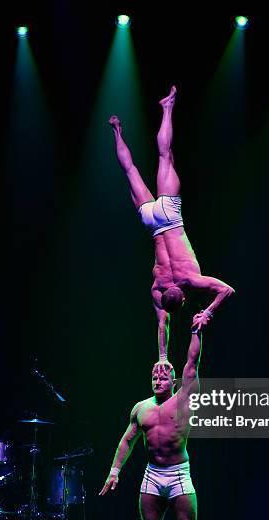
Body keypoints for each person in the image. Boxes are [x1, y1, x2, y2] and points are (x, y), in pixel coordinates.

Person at [109, 86, 234, 363]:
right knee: (130, 171)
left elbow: (227, 290)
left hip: (169, 217)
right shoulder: (158, 286)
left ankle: (168, 107)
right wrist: (162, 356)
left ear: (185, 299)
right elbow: (161, 325)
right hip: (151, 222)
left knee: (166, 155)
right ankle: (116, 130)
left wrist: (209, 312)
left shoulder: (192, 280)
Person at [99, 316, 209, 520]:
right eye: (154, 376)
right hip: (152, 474)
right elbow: (127, 440)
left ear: (173, 381)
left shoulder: (184, 399)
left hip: (178, 474)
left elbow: (192, 363)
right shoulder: (141, 408)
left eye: (163, 377)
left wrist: (196, 330)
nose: (158, 380)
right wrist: (115, 470)